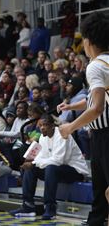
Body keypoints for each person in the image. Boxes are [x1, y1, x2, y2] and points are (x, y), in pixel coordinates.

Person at [59, 12, 109, 226]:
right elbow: (96, 98)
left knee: (103, 188)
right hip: (100, 135)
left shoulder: (95, 66)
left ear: (88, 42)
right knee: (100, 187)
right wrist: (72, 105)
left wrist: (70, 126)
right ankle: (96, 221)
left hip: (105, 134)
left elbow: (97, 108)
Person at [10, 114, 88, 220]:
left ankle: (50, 207)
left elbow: (58, 160)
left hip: (75, 171)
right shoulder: (43, 137)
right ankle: (28, 205)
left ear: (52, 125)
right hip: (57, 169)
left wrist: (34, 163)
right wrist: (32, 164)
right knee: (31, 168)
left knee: (50, 167)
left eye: (45, 125)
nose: (42, 128)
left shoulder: (62, 134)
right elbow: (42, 157)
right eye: (40, 125)